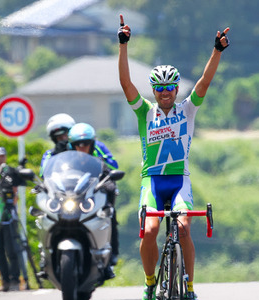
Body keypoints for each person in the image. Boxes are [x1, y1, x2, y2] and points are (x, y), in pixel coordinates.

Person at [118, 14, 229, 300]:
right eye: (159, 88)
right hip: (152, 181)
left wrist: (216, 51)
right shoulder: (145, 112)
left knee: (183, 229)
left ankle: (189, 287)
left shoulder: (187, 110)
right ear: (153, 90)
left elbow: (204, 82)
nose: (165, 93)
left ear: (176, 89)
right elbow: (125, 83)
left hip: (180, 180)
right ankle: (150, 281)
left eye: (169, 88)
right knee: (150, 229)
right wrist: (123, 45)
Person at [68, 122, 120, 278]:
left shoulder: (99, 163)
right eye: (78, 144)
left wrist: (108, 184)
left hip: (92, 204)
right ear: (72, 145)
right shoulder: (68, 163)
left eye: (86, 144)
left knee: (109, 215)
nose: (82, 147)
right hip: (71, 204)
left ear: (92, 144)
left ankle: (109, 259)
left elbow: (112, 170)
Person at [0, 147, 22, 292]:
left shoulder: (9, 171)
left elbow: (14, 193)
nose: (0, 159)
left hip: (8, 216)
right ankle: (5, 281)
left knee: (12, 249)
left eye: (3, 156)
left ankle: (15, 280)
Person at [39, 113, 76, 177]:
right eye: (59, 137)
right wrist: (57, 156)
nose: (64, 139)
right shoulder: (49, 154)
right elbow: (43, 173)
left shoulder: (83, 148)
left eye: (66, 135)